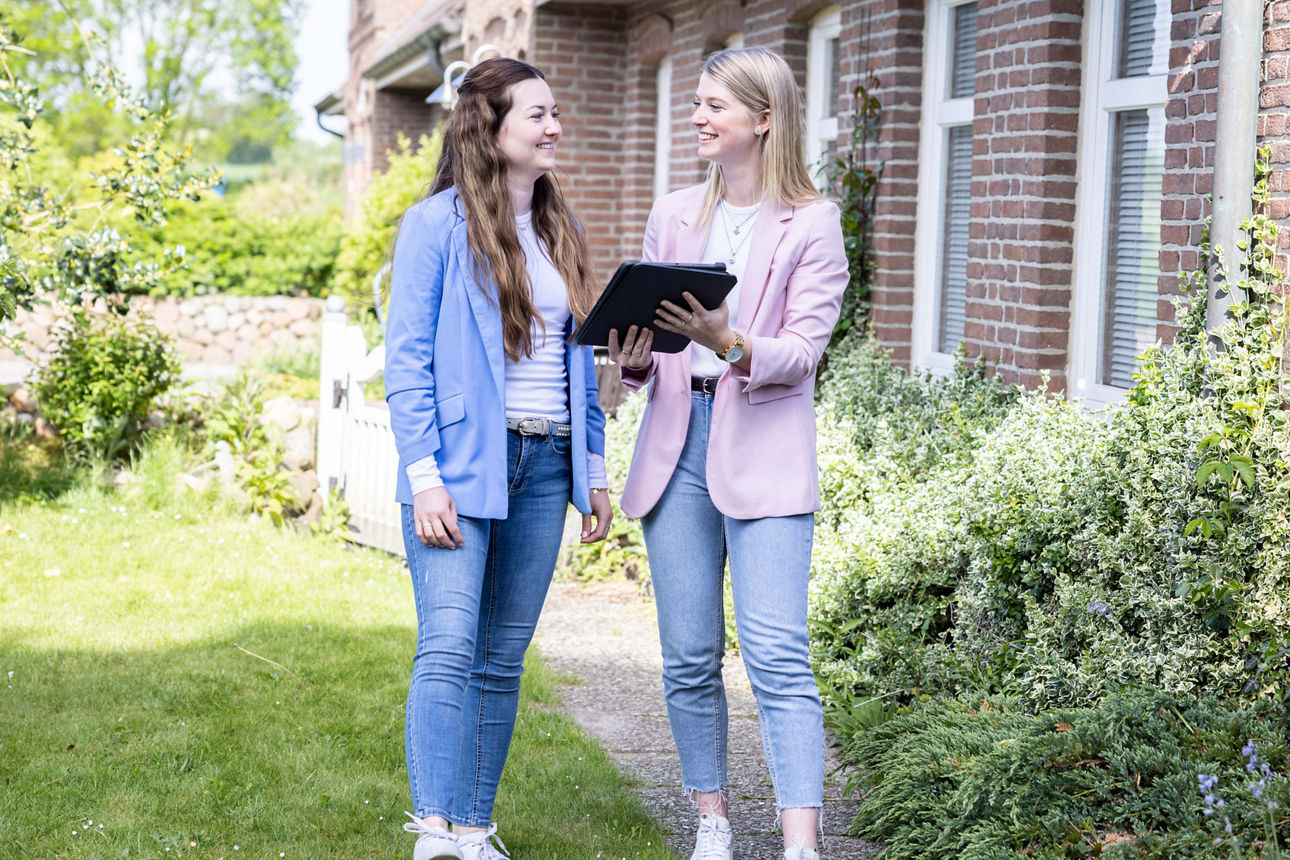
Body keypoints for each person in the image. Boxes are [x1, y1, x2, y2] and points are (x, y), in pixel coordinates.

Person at [607, 48, 848, 860]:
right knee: (689, 653)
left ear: (765, 119)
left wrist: (730, 339)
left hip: (764, 447)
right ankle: (711, 819)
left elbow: (803, 353)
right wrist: (635, 354)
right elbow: (647, 363)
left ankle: (801, 843)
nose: (700, 117)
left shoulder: (812, 221)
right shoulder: (675, 213)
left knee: (778, 651)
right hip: (677, 447)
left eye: (715, 105)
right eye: (698, 104)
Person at [384, 56, 613, 860]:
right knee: (448, 643)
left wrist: (594, 472)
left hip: (547, 467)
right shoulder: (436, 226)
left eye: (556, 114)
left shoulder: (561, 230)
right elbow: (406, 363)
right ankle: (434, 831)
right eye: (538, 114)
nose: (554, 127)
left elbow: (575, 367)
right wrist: (424, 478)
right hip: (458, 470)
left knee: (501, 659)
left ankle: (477, 829)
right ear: (492, 126)